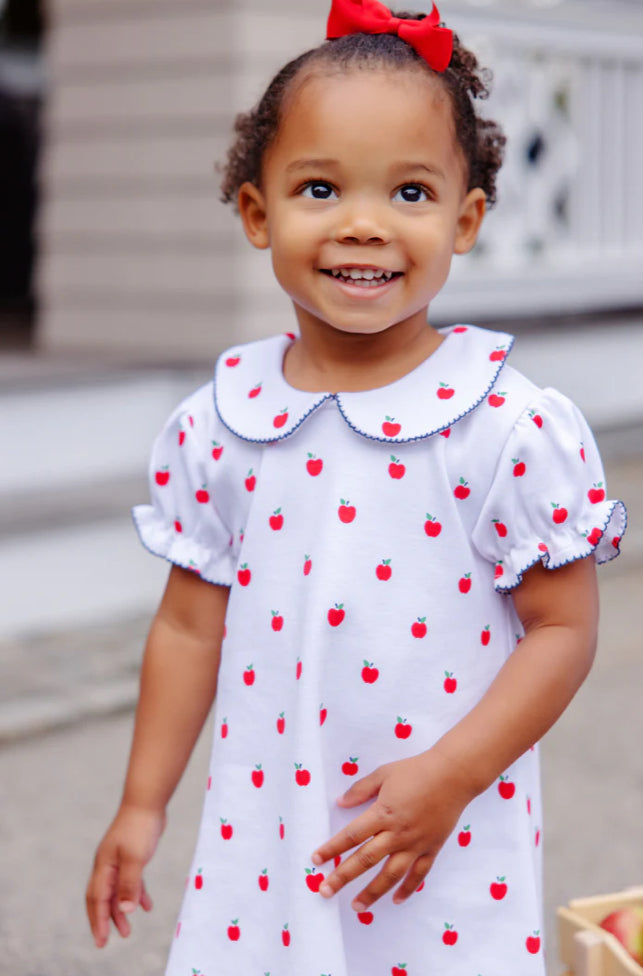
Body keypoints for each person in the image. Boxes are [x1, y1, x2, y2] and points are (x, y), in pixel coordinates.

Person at [86, 2, 626, 973]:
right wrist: (141, 801)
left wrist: (451, 776)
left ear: (465, 221)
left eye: (410, 192)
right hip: (267, 822)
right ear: (258, 212)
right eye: (321, 186)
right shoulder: (225, 420)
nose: (363, 224)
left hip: (439, 826)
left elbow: (562, 629)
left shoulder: (498, 425)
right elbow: (186, 626)